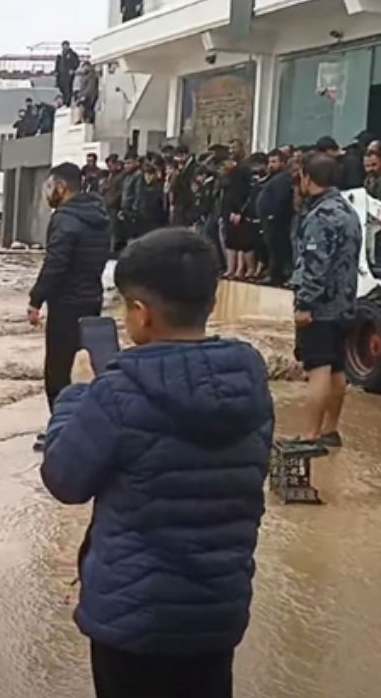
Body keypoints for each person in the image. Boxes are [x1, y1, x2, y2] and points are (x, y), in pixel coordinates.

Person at [42, 227, 271, 698]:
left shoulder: (117, 390)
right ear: (211, 301)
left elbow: (64, 479)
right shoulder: (248, 378)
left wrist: (76, 393)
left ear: (141, 314)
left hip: (134, 619)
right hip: (217, 613)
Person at [27, 162, 110, 450]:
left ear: (61, 186)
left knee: (58, 371)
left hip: (65, 305)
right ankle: (84, 426)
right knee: (87, 367)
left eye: (50, 186)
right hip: (92, 299)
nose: (48, 192)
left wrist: (36, 299)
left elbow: (56, 263)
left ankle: (62, 431)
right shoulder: (99, 216)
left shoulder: (64, 219)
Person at [291, 152, 364, 448]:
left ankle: (310, 435)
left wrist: (304, 304)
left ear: (307, 178)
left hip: (321, 307)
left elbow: (315, 266)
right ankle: (330, 430)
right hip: (345, 304)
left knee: (318, 368)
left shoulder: (321, 217)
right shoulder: (348, 211)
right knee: (336, 369)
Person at [258, 149, 296, 286]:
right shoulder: (272, 178)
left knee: (277, 248)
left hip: (276, 220)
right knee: (271, 247)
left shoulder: (282, 179)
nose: (270, 165)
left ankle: (276, 275)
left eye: (274, 162)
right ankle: (273, 273)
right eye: (269, 162)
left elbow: (281, 198)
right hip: (269, 219)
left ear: (283, 163)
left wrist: (273, 215)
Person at [55, 41, 81, 107]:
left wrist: (73, 69)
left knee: (68, 90)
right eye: (64, 46)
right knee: (62, 90)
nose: (65, 47)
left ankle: (67, 103)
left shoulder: (72, 55)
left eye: (66, 46)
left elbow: (77, 62)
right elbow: (57, 66)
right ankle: (63, 102)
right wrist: (57, 73)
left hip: (68, 76)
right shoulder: (60, 56)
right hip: (61, 76)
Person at [78, 60, 100, 125]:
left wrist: (84, 95)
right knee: (83, 108)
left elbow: (91, 87)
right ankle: (83, 120)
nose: (84, 68)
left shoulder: (91, 75)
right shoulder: (84, 75)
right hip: (85, 95)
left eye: (85, 66)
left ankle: (88, 121)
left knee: (88, 109)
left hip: (90, 96)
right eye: (83, 67)